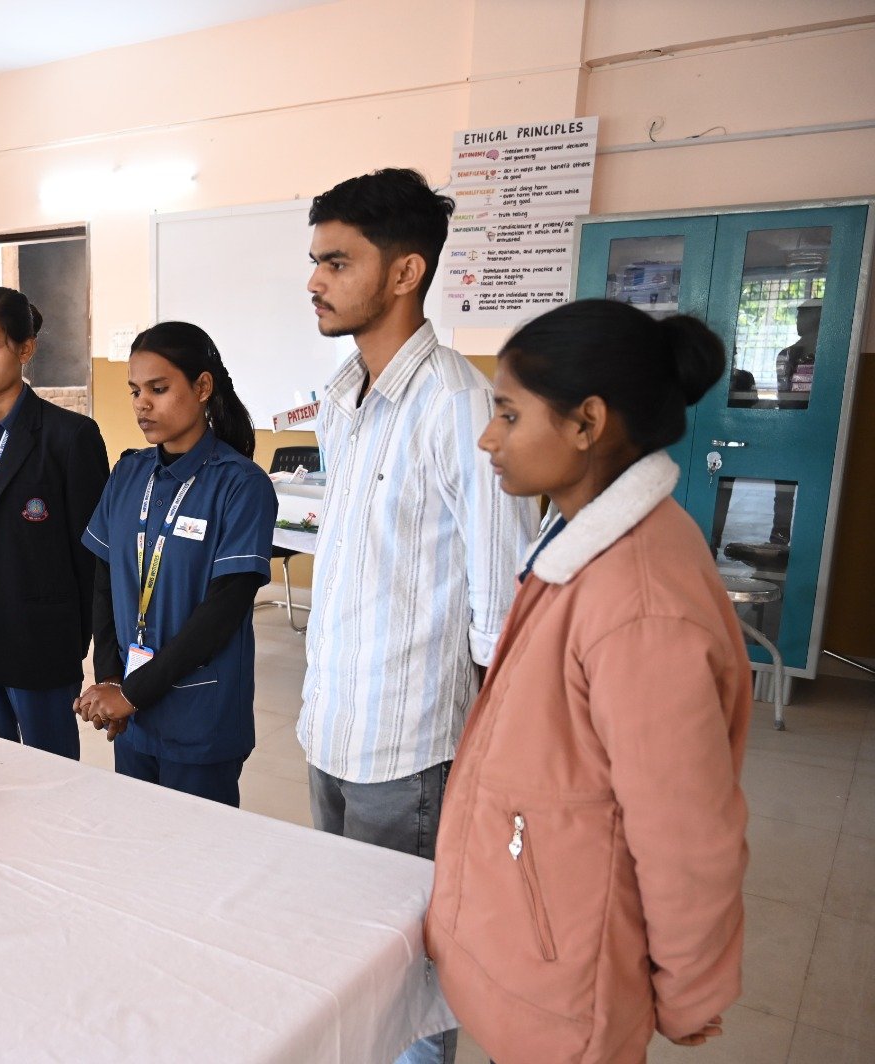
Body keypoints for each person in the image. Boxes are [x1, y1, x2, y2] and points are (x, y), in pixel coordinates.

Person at [425, 299, 750, 1062]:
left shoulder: (640, 605)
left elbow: (686, 832)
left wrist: (692, 987)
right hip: (541, 937)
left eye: (509, 415)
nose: (488, 438)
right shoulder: (581, 539)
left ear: (587, 423)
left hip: (570, 977)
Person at [297, 168, 538, 1064]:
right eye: (315, 260)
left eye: (337, 262)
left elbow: (502, 602)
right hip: (331, 724)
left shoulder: (460, 405)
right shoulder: (342, 398)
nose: (314, 281)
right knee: (349, 948)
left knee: (411, 976)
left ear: (405, 272)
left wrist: (493, 760)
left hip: (409, 747)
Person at [75, 322, 275, 806]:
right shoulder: (128, 474)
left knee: (196, 847)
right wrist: (111, 678)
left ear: (203, 387)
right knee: (139, 838)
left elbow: (222, 612)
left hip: (199, 716)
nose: (142, 404)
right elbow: (104, 582)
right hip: (133, 714)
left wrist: (133, 692)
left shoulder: (241, 485)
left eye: (159, 389)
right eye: (135, 391)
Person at [0, 286, 109, 757]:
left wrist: (76, 641)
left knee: (51, 771)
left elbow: (91, 556)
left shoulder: (70, 436)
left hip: (38, 636)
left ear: (25, 349)